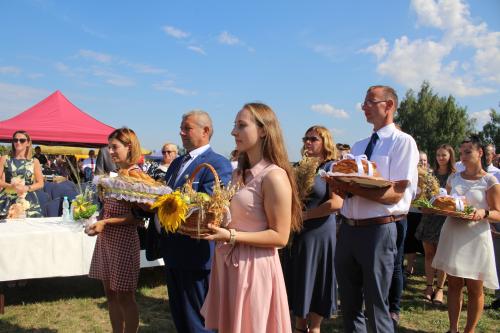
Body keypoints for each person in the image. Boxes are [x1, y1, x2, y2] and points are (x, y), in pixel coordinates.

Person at [200, 102, 302, 333]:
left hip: (255, 268)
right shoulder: (238, 174)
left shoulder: (274, 176)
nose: (233, 132)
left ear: (264, 130)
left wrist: (230, 235)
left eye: (241, 125)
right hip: (229, 265)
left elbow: (280, 237)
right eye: (235, 126)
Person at [329, 85, 419, 333]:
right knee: (349, 304)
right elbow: (349, 189)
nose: (364, 106)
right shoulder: (358, 146)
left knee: (377, 305)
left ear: (389, 105)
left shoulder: (402, 143)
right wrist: (337, 185)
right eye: (364, 102)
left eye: (371, 101)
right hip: (348, 229)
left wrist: (353, 188)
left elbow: (394, 195)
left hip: (379, 230)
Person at [147, 110, 232, 333]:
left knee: (199, 322)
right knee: (181, 318)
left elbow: (211, 208)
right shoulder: (177, 163)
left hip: (196, 253)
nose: (181, 132)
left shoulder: (217, 164)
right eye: (181, 127)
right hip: (173, 251)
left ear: (206, 131)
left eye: (187, 128)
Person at [432, 136, 499, 333]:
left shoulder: (490, 180)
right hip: (453, 233)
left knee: (475, 288)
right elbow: (449, 203)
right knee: (453, 284)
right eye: (461, 152)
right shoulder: (454, 178)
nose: (463, 156)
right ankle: (453, 329)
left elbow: (498, 213)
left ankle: (469, 330)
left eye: (468, 151)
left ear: (480, 153)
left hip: (476, 237)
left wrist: (483, 213)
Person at [87, 127, 146, 333]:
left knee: (125, 296)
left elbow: (138, 217)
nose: (110, 151)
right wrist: (96, 220)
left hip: (123, 242)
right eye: (109, 147)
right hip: (107, 240)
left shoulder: (136, 176)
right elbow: (109, 208)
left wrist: (106, 223)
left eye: (115, 147)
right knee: (111, 295)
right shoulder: (116, 174)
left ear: (129, 147)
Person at [286, 126, 343, 333]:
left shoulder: (332, 167)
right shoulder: (300, 166)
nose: (308, 142)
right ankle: (300, 327)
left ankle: (315, 328)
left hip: (319, 232)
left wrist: (306, 216)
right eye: (305, 138)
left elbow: (337, 203)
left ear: (325, 143)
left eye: (313, 139)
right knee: (300, 280)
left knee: (316, 280)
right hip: (297, 232)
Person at [415, 144, 456, 304]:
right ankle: (429, 287)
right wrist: (421, 205)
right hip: (428, 219)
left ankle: (440, 290)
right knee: (429, 255)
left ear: (450, 157)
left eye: (444, 155)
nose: (440, 158)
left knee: (441, 256)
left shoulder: (454, 177)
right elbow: (420, 195)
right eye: (438, 155)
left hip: (444, 220)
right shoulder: (429, 174)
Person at [0, 130, 44, 218]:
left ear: (28, 143)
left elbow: (40, 183)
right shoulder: (5, 159)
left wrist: (26, 188)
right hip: (7, 199)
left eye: (22, 140)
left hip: (28, 200)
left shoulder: (34, 161)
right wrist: (10, 186)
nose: (18, 142)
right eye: (15, 140)